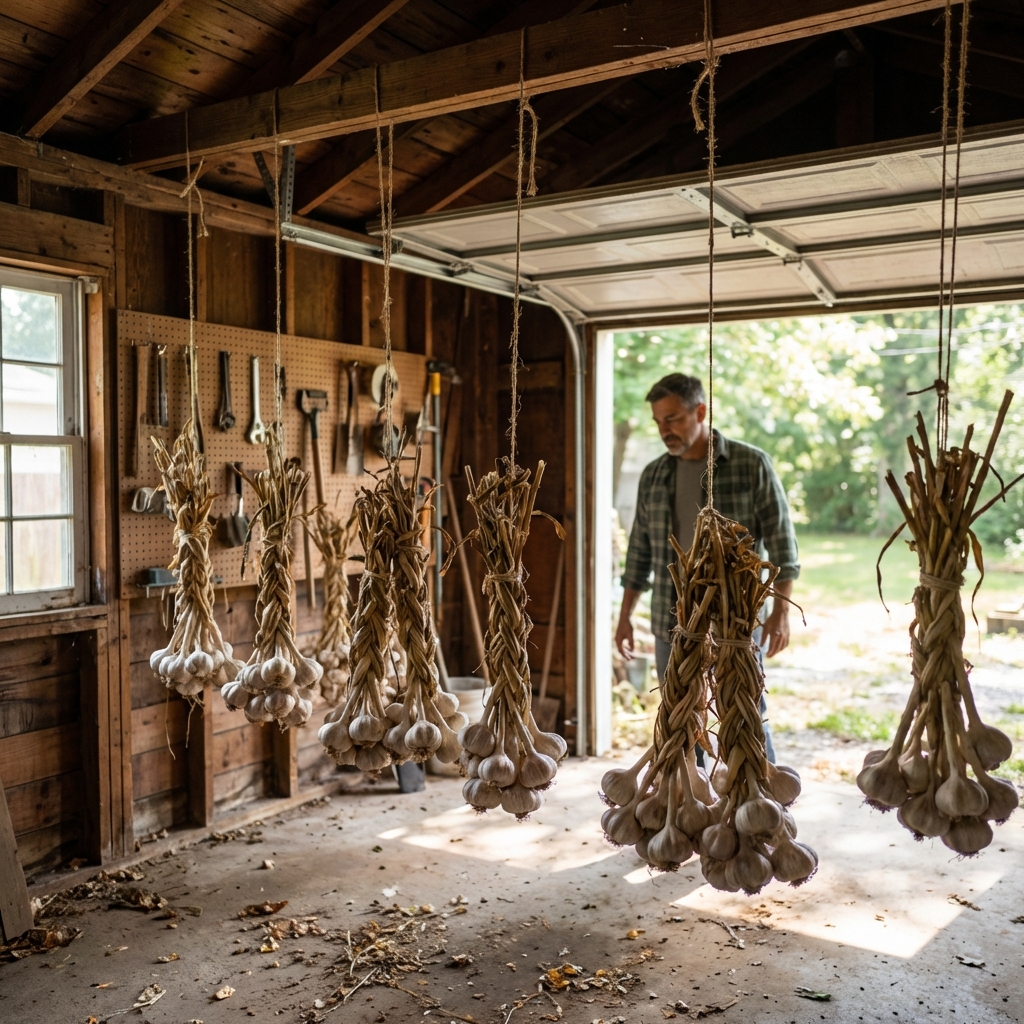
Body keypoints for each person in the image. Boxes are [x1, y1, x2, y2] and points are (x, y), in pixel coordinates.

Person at [614, 373, 800, 763]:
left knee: (746, 713)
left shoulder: (751, 465)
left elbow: (783, 544)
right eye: (658, 422)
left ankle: (758, 803)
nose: (665, 430)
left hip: (735, 623)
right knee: (681, 717)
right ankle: (692, 807)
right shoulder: (653, 475)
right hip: (673, 622)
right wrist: (625, 615)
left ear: (701, 411)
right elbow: (639, 553)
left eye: (673, 419)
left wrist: (782, 612)